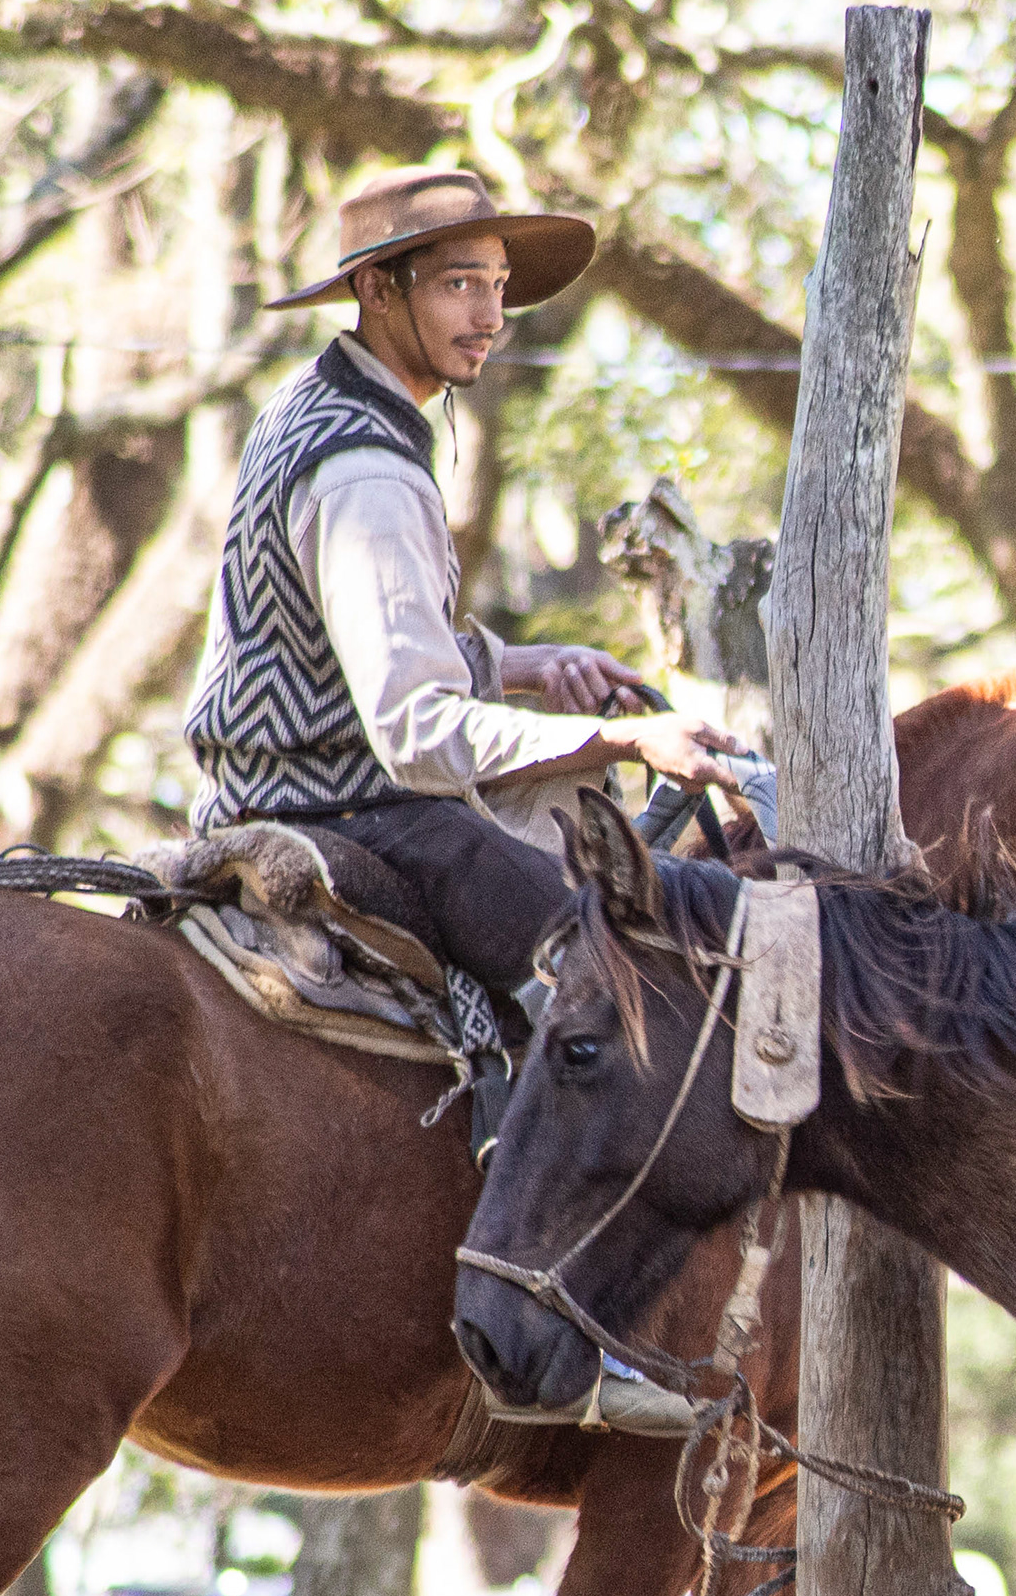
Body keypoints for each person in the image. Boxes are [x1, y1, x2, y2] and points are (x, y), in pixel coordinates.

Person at [180, 164, 754, 1010]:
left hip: (286, 793)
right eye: (458, 285)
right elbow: (414, 731)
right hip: (353, 813)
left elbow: (329, 654)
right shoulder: (366, 471)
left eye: (497, 285)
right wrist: (629, 743)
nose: (490, 317)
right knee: (634, 985)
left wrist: (521, 666)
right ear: (377, 288)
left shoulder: (309, 403)